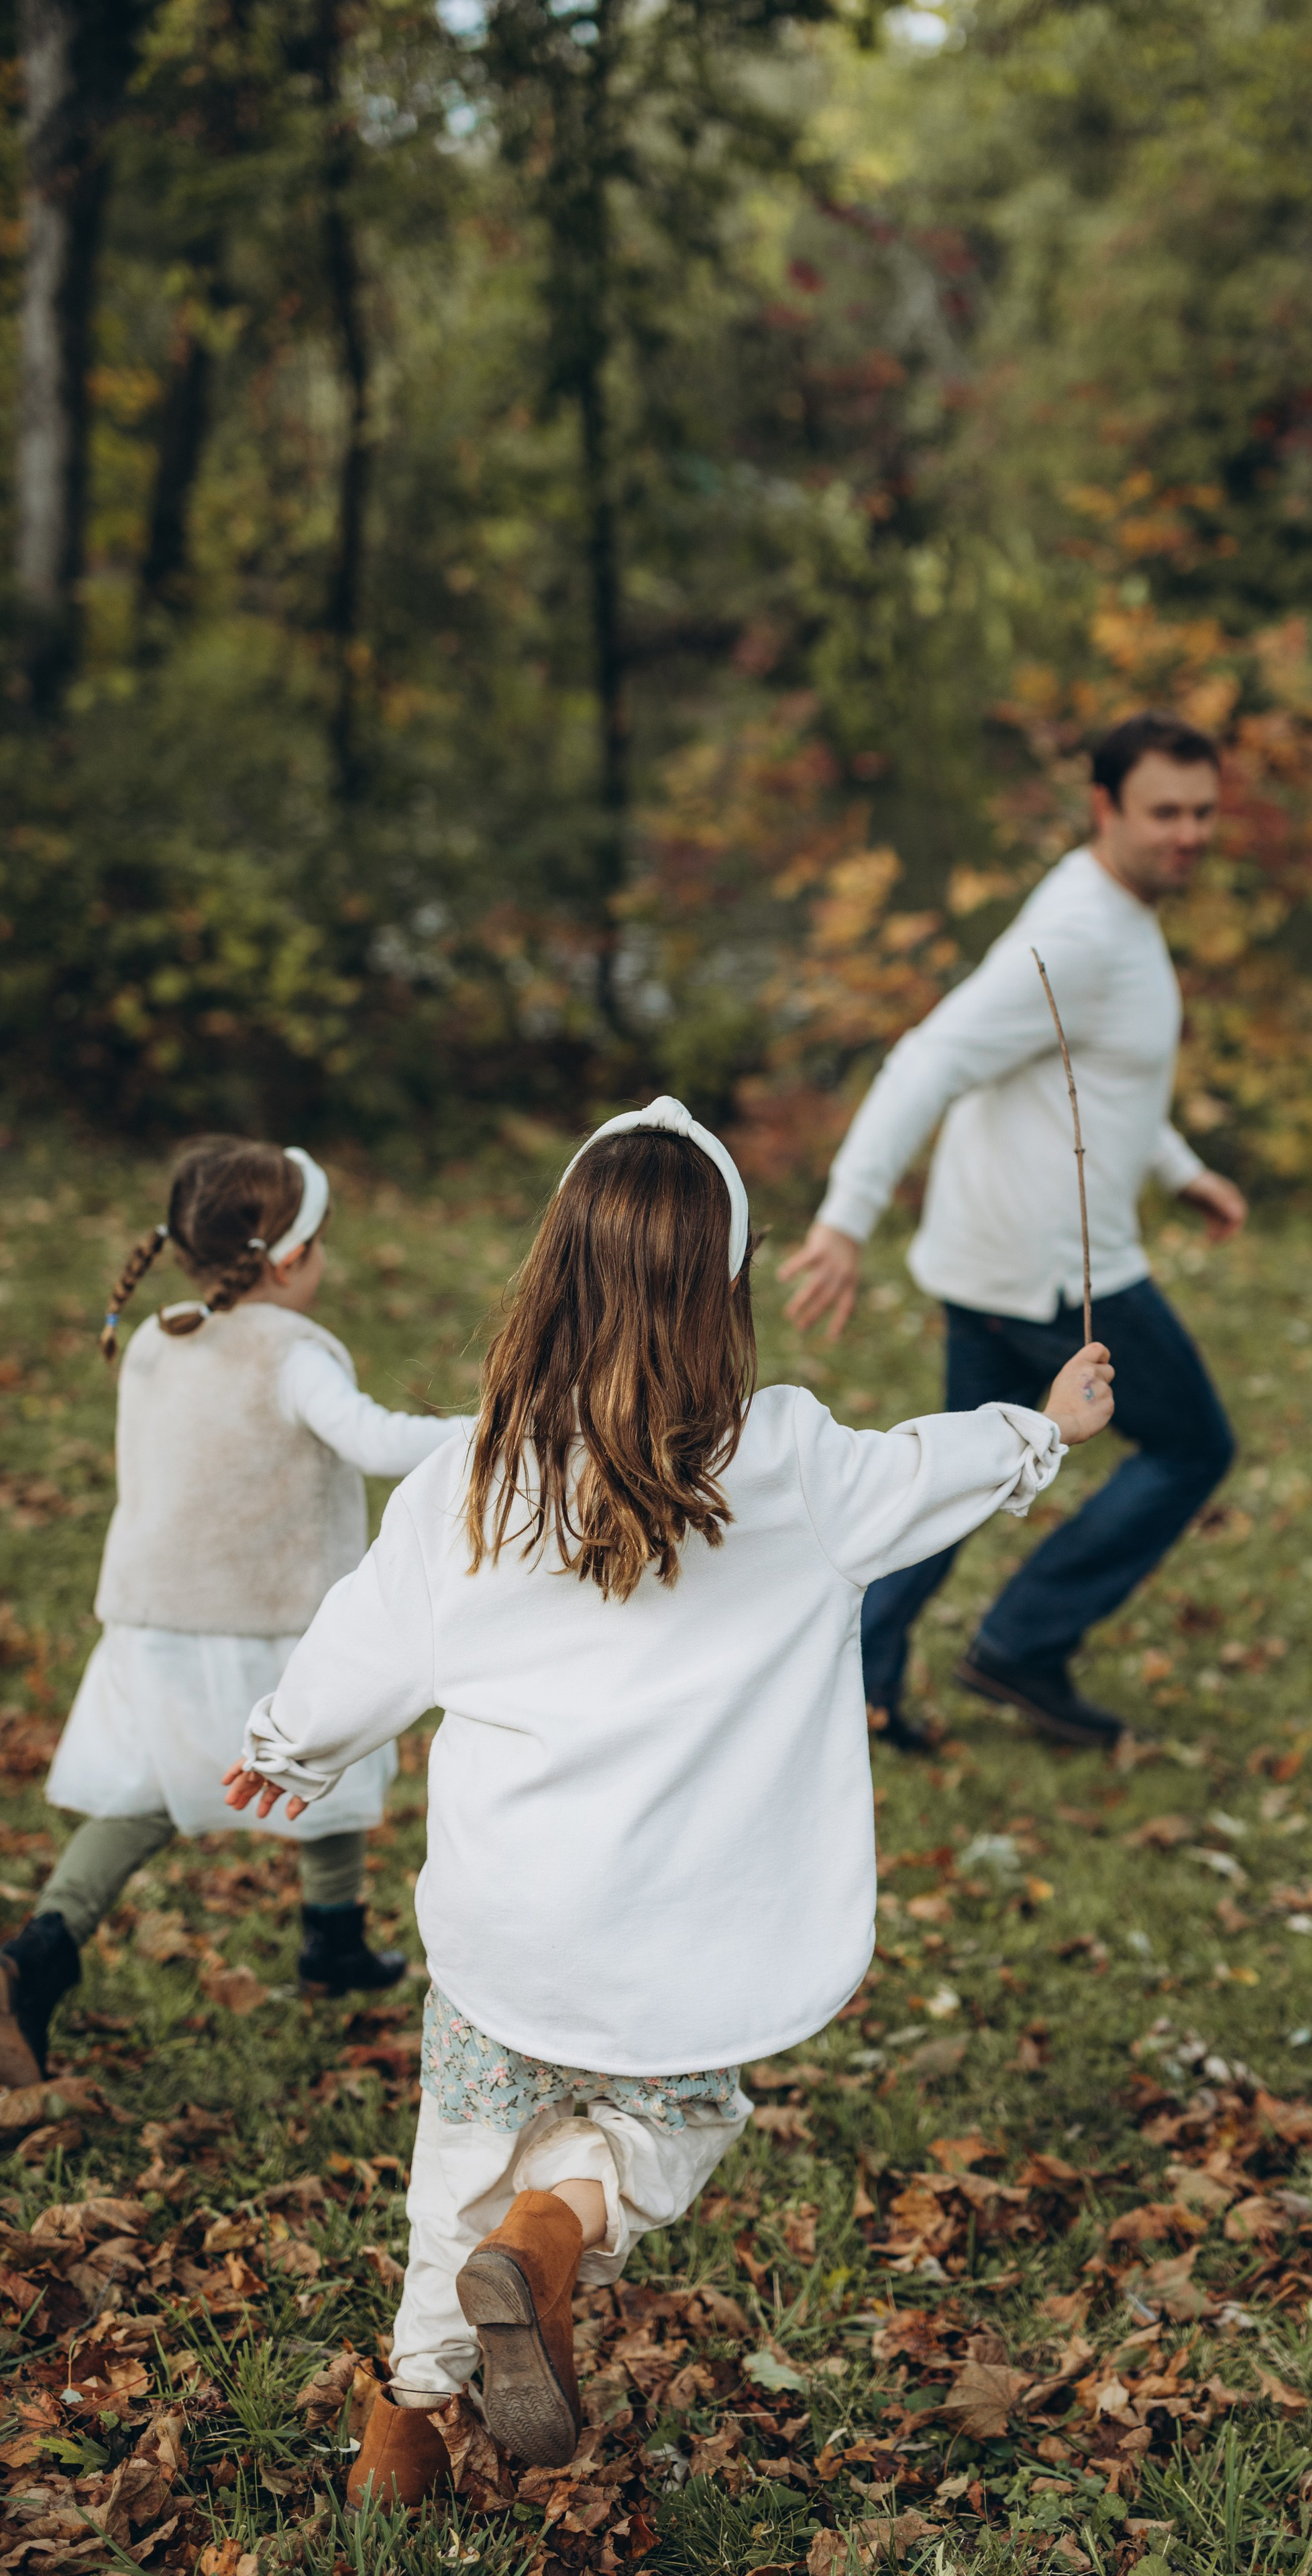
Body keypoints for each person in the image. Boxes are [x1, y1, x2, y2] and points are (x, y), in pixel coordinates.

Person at [222, 1097, 1113, 2504]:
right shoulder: (796, 1466)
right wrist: (1042, 1425)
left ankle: (399, 2437)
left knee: (451, 2171)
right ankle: (562, 2228)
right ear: (730, 1291)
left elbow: (363, 1651)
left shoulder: (468, 1476)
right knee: (656, 2133)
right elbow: (934, 1463)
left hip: (506, 1933)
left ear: (551, 1273)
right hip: (679, 1942)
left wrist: (283, 1746)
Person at [779, 709, 1245, 1755]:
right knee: (1190, 1444)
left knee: (968, 1468)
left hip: (990, 1255)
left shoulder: (1107, 903)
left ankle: (859, 1686)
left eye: (1204, 813)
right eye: (1165, 813)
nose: (1189, 835)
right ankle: (1024, 1644)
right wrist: (847, 1218)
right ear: (1105, 808)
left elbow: (1097, 1070)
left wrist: (1181, 1170)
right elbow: (930, 1056)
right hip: (1048, 1269)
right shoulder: (1083, 932)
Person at [0, 1135, 466, 2089]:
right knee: (321, 1748)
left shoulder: (155, 1337)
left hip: (158, 1616)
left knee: (142, 1795)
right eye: (322, 1243)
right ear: (290, 1260)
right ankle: (329, 1932)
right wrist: (500, 1432)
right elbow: (375, 1442)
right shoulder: (294, 1356)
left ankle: (44, 1946)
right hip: (270, 1620)